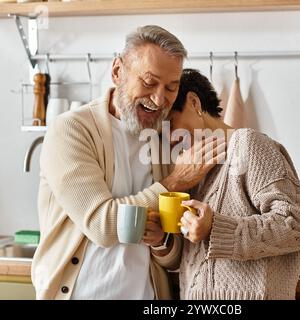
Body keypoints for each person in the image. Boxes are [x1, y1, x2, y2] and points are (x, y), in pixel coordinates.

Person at [32, 27, 224, 300]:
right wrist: (175, 182)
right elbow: (102, 225)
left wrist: (161, 241)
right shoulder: (71, 130)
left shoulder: (162, 138)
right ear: (117, 71)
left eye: (171, 87)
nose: (159, 99)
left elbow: (174, 254)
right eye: (149, 82)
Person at [168, 69, 300, 300]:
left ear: (194, 103)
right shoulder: (191, 169)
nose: (169, 137)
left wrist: (215, 229)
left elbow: (295, 226)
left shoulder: (249, 144)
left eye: (170, 122)